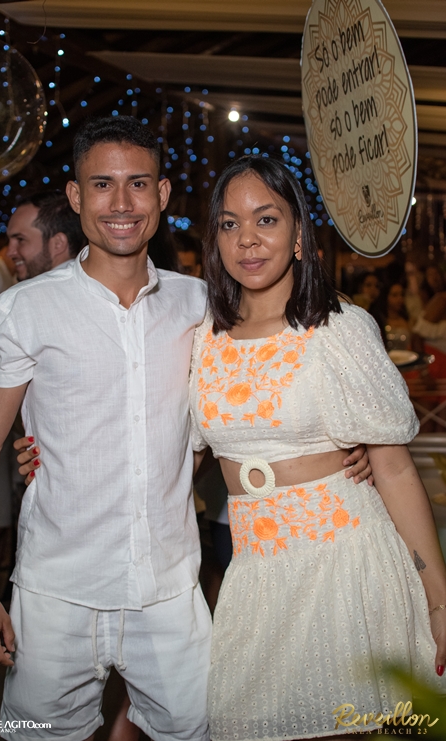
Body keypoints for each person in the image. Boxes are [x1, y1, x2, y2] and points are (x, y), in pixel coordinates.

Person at [0, 116, 214, 741]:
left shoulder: (199, 304)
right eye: (102, 184)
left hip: (169, 589)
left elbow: (222, 419)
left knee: (200, 730)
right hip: (56, 592)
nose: (121, 203)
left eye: (138, 184)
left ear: (162, 194)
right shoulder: (26, 308)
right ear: (75, 196)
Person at [185, 155, 446, 740]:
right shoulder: (205, 338)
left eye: (266, 219)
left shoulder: (339, 328)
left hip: (346, 561)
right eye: (229, 224)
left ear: (299, 233)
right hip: (255, 569)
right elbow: (179, 454)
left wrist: (439, 600)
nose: (247, 239)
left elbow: (394, 471)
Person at [6, 190, 86, 281]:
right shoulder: (92, 284)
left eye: (20, 239)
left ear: (58, 244)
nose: (10, 253)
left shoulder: (31, 290)